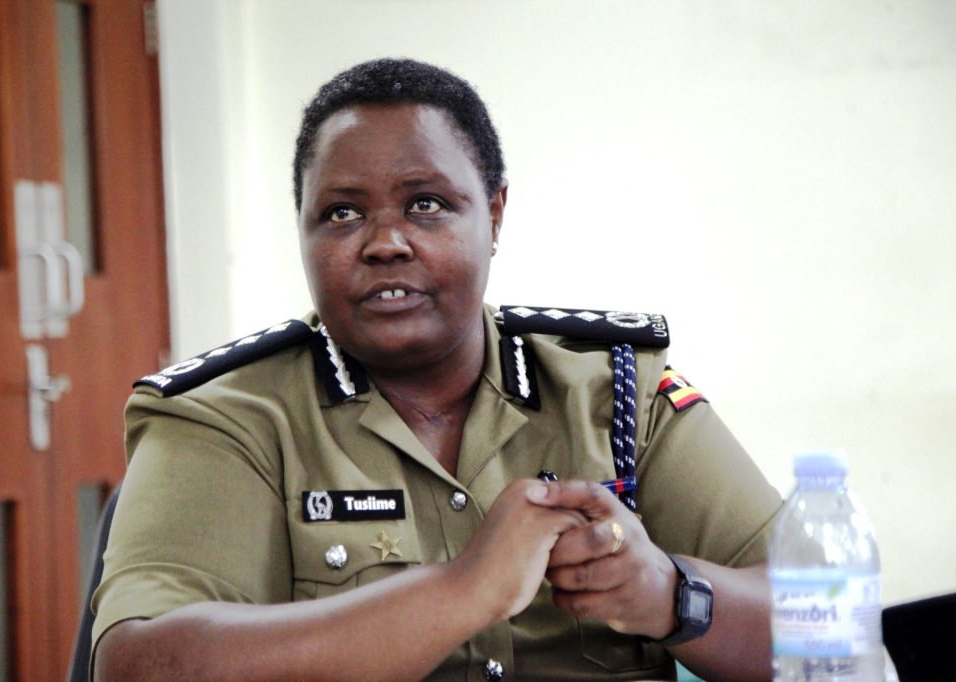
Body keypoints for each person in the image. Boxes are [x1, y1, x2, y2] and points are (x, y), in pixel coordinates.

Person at [92, 58, 782, 680]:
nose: (385, 243)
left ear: (494, 213)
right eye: (340, 213)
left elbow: (825, 617)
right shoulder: (225, 416)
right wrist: (461, 593)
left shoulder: (616, 394)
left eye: (426, 204)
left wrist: (669, 593)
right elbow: (139, 664)